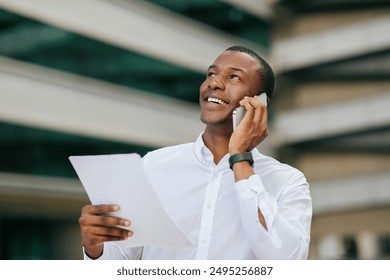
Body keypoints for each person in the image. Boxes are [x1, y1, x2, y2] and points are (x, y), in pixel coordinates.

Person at [78, 46, 312, 260]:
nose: (214, 83)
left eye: (234, 77)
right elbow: (121, 260)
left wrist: (240, 157)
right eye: (211, 74)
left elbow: (287, 261)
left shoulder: (287, 182)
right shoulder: (153, 166)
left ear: (260, 103)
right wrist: (95, 248)